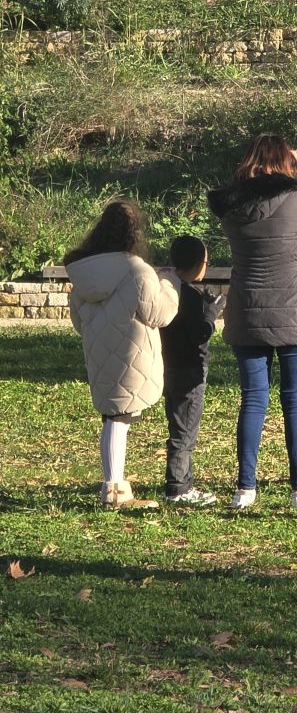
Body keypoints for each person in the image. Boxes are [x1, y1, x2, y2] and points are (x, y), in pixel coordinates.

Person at [208, 134, 297, 512]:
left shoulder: (232, 207)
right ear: (286, 163)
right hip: (295, 312)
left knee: (253, 400)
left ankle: (245, 489)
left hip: (249, 312)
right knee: (294, 401)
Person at [65, 200, 179, 510]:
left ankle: (115, 485)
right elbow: (158, 315)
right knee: (119, 419)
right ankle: (114, 489)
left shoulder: (82, 274)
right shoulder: (137, 270)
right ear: (134, 234)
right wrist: (170, 286)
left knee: (114, 417)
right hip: (133, 351)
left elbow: (78, 321)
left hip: (99, 351)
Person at [160, 235, 225, 507]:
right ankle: (178, 488)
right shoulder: (191, 296)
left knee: (178, 424)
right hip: (191, 371)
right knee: (185, 431)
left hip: (168, 366)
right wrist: (212, 313)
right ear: (200, 265)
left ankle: (183, 481)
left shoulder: (167, 290)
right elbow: (200, 333)